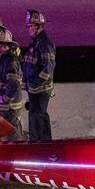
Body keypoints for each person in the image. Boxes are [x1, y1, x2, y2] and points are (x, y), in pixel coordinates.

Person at [21, 9, 56, 142]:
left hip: (41, 88)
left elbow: (48, 67)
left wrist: (36, 83)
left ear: (38, 27)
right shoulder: (35, 42)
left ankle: (37, 143)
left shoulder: (45, 43)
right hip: (34, 87)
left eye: (30, 26)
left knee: (37, 114)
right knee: (39, 114)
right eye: (28, 26)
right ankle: (45, 141)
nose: (28, 29)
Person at [0, 28, 25, 139]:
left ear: (3, 45)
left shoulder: (10, 61)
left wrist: (5, 98)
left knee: (13, 143)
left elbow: (13, 84)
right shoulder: (3, 60)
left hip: (9, 111)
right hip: (4, 110)